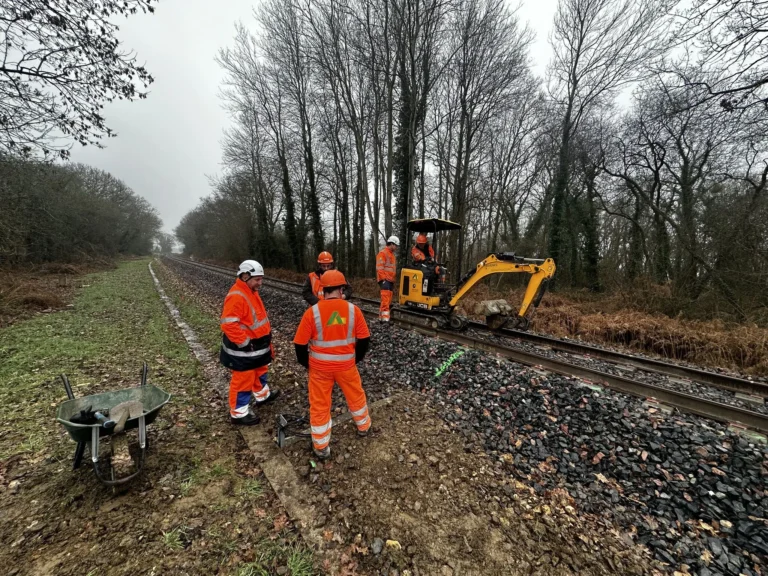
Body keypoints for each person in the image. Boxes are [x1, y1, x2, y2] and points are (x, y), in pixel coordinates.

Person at [293, 270, 372, 459]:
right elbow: (364, 340)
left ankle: (321, 446)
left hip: (320, 369)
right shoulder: (354, 311)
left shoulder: (312, 313)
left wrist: (308, 365)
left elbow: (299, 345)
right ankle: (364, 427)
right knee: (355, 396)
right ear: (342, 288)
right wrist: (355, 359)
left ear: (323, 290)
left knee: (320, 404)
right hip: (347, 366)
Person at [219, 260, 280, 425]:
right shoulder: (237, 296)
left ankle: (262, 396)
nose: (260, 283)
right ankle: (239, 413)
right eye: (257, 279)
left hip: (257, 346)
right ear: (245, 276)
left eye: (261, 279)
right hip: (244, 349)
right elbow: (228, 323)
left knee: (260, 370)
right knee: (243, 379)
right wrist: (244, 342)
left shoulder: (250, 291)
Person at [376, 236, 399, 321]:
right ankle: (385, 320)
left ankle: (382, 319)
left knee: (387, 301)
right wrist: (384, 279)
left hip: (390, 280)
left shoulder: (392, 255)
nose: (396, 247)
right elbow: (379, 268)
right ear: (392, 244)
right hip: (385, 280)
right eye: (396, 245)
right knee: (385, 300)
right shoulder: (383, 253)